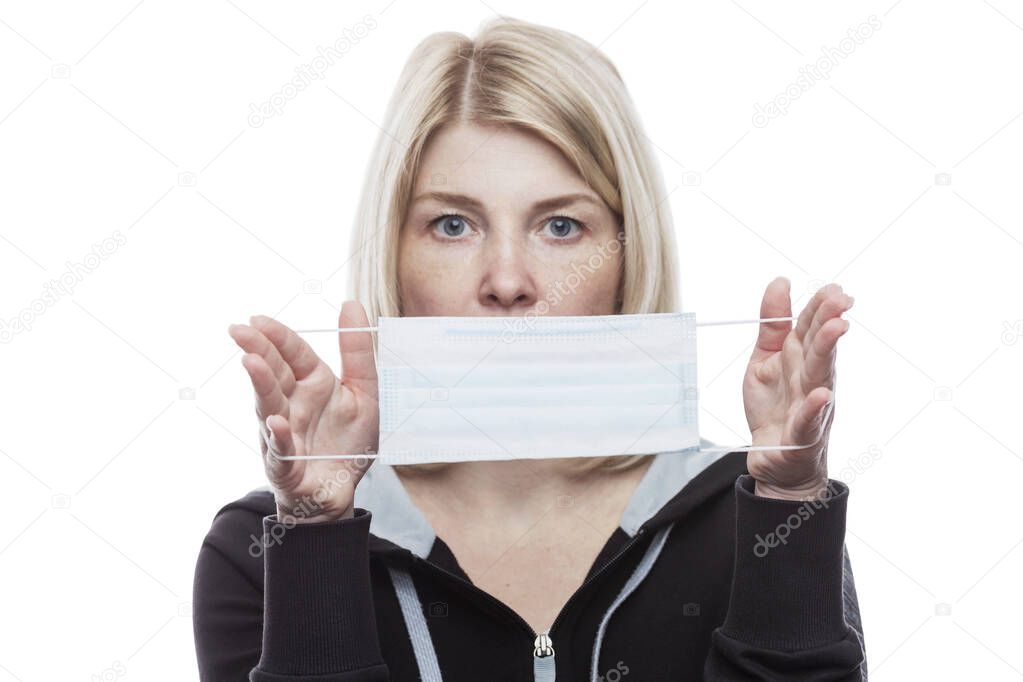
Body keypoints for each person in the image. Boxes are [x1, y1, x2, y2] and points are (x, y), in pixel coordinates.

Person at [193, 16, 867, 681]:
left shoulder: (755, 513)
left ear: (628, 256)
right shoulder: (263, 545)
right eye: (452, 225)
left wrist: (788, 502)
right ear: (394, 251)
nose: (508, 282)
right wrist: (315, 537)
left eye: (561, 225)